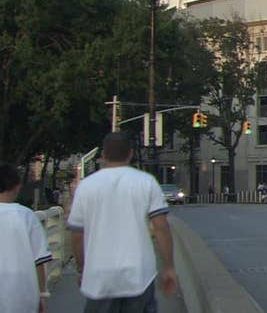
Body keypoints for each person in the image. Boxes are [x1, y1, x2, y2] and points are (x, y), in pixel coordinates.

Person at [67, 132, 178, 312]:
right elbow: (161, 227)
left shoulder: (86, 186)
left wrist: (81, 268)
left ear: (103, 155)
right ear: (131, 153)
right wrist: (169, 267)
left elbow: (77, 234)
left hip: (99, 275)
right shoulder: (146, 182)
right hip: (138, 274)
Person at [0, 163, 52, 313]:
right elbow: (40, 260)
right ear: (17, 186)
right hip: (22, 293)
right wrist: (42, 294)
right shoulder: (25, 215)